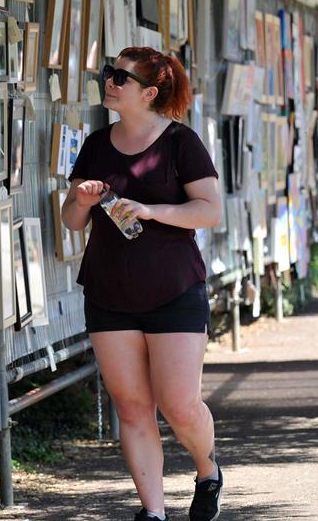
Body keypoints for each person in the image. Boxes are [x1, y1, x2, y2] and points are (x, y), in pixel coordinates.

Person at [62, 47, 224, 521]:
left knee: (179, 406)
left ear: (149, 93)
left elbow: (210, 211)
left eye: (120, 77)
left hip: (175, 289)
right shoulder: (95, 144)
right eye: (109, 73)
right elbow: (71, 221)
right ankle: (153, 512)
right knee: (132, 409)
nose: (109, 81)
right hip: (109, 290)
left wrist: (154, 211)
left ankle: (207, 468)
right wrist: (82, 200)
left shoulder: (180, 142)